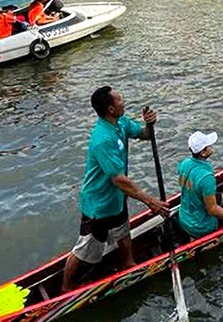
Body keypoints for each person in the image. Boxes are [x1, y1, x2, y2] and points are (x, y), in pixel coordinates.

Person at [62, 87, 170, 291]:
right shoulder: (102, 139)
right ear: (111, 109)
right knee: (85, 248)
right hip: (99, 204)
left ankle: (128, 263)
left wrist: (150, 123)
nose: (124, 101)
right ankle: (66, 289)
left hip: (116, 199)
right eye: (120, 99)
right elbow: (119, 180)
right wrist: (151, 201)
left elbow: (145, 134)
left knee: (122, 230)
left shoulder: (120, 123)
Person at [177, 131, 223, 238]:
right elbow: (213, 210)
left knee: (218, 196)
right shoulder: (206, 177)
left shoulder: (184, 163)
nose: (212, 147)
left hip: (184, 217)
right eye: (209, 146)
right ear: (203, 152)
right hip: (201, 226)